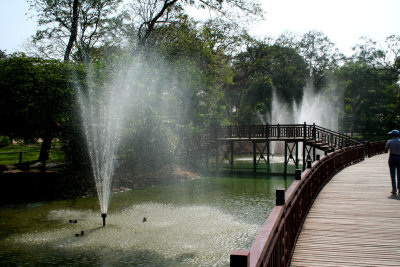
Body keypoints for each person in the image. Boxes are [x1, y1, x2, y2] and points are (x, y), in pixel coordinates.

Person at [384, 129, 400, 194]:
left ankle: (394, 189)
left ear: (393, 135)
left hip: (392, 157)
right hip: (399, 157)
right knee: (399, 173)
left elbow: (385, 150)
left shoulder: (389, 141)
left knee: (392, 174)